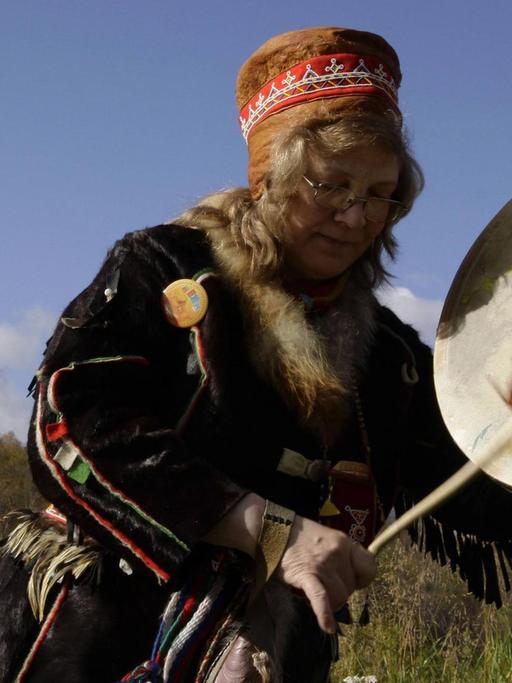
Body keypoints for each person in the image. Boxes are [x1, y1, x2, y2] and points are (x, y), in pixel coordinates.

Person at [1, 25, 512, 683]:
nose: (356, 217)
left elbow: (474, 466)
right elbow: (67, 425)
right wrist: (275, 532)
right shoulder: (165, 269)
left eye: (379, 194)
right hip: (102, 639)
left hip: (276, 655)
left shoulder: (389, 357)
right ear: (272, 175)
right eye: (331, 185)